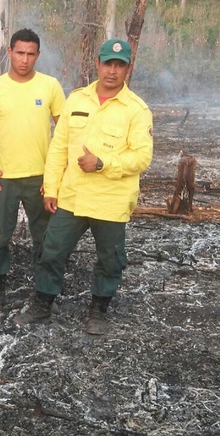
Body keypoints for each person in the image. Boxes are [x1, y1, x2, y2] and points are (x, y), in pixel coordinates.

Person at [14, 38, 153, 335]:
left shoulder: (136, 110)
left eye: (119, 65)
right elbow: (59, 147)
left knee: (110, 260)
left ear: (128, 68)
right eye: (107, 63)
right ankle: (43, 303)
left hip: (111, 200)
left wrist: (103, 162)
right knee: (51, 250)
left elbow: (142, 157)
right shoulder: (77, 100)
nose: (112, 71)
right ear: (97, 64)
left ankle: (98, 310)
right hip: (72, 196)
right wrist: (51, 188)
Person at [0, 28, 65, 312]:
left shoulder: (50, 86)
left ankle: (44, 292)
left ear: (38, 55)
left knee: (45, 236)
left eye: (31, 54)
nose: (24, 60)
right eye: (20, 53)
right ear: (9, 52)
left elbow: (65, 132)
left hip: (41, 178)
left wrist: (56, 176)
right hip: (4, 178)